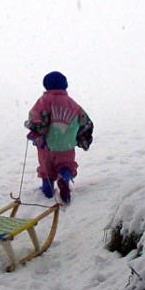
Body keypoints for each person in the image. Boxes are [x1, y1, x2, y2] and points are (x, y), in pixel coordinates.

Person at [24, 71, 93, 204]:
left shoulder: (44, 101)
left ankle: (47, 189)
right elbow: (84, 121)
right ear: (65, 86)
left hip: (47, 146)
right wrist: (82, 138)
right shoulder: (72, 104)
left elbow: (35, 116)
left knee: (46, 167)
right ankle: (64, 176)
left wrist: (35, 131)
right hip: (66, 145)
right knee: (66, 164)